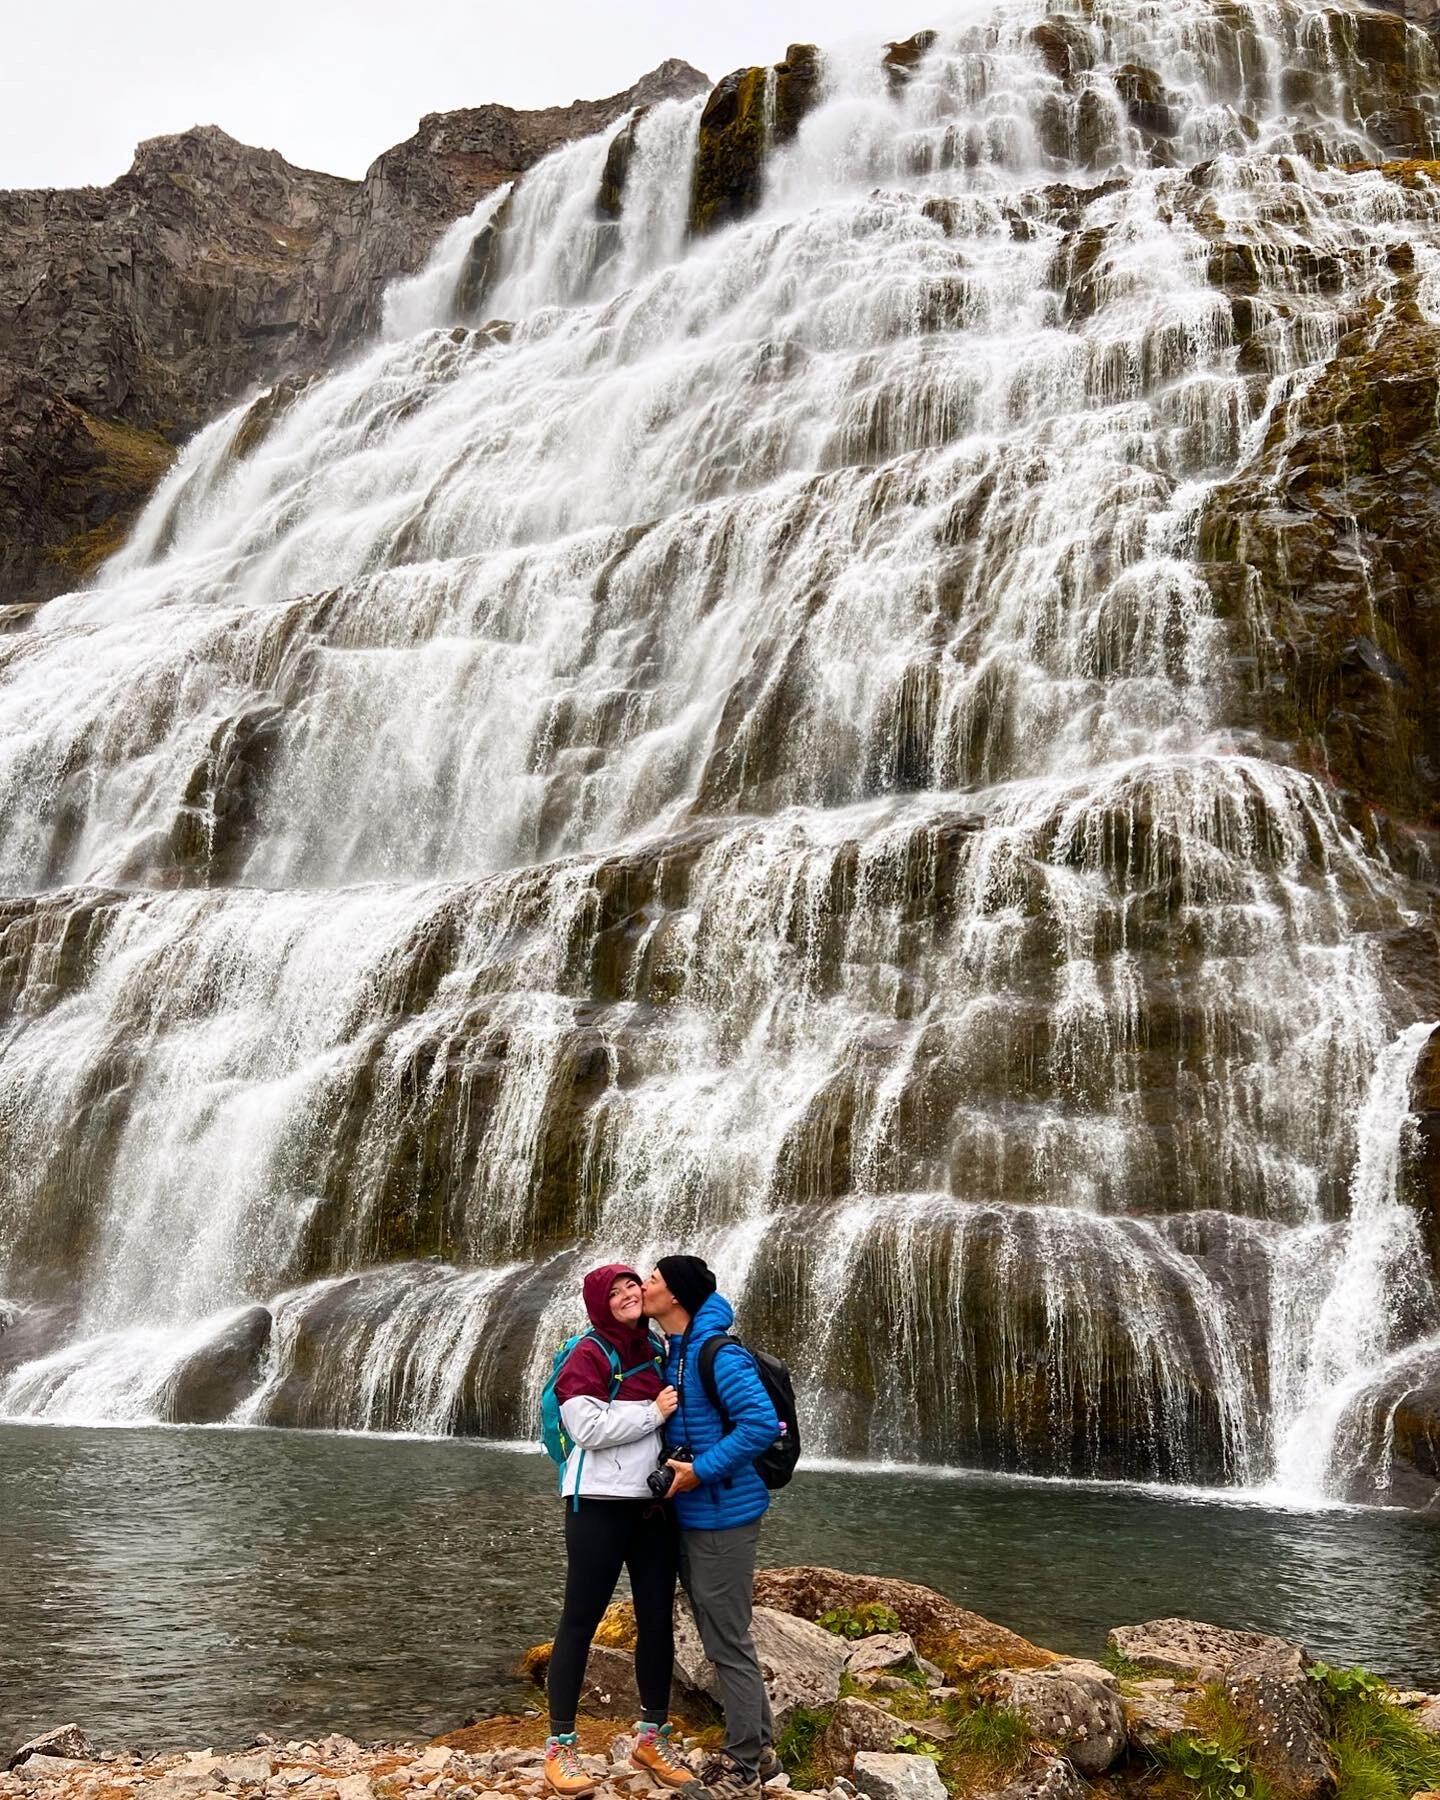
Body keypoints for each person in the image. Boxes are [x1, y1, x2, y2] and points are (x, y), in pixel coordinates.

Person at [544, 1264, 698, 1798]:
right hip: (599, 1506)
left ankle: (652, 1736)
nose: (629, 1294)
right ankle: (561, 1746)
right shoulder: (588, 1353)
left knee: (656, 1620)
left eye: (633, 1284)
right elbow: (584, 1428)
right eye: (614, 1291)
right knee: (580, 1621)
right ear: (597, 1302)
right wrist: (652, 1414)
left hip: (653, 1506)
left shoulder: (656, 1348)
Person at [640, 1256, 781, 1800]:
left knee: (726, 1638)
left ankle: (742, 1765)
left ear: (675, 1295)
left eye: (652, 1278)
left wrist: (701, 1470)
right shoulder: (677, 1349)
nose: (644, 1285)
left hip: (723, 1514)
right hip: (694, 1515)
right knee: (718, 1631)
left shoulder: (714, 1353)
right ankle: (760, 1747)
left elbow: (761, 1424)